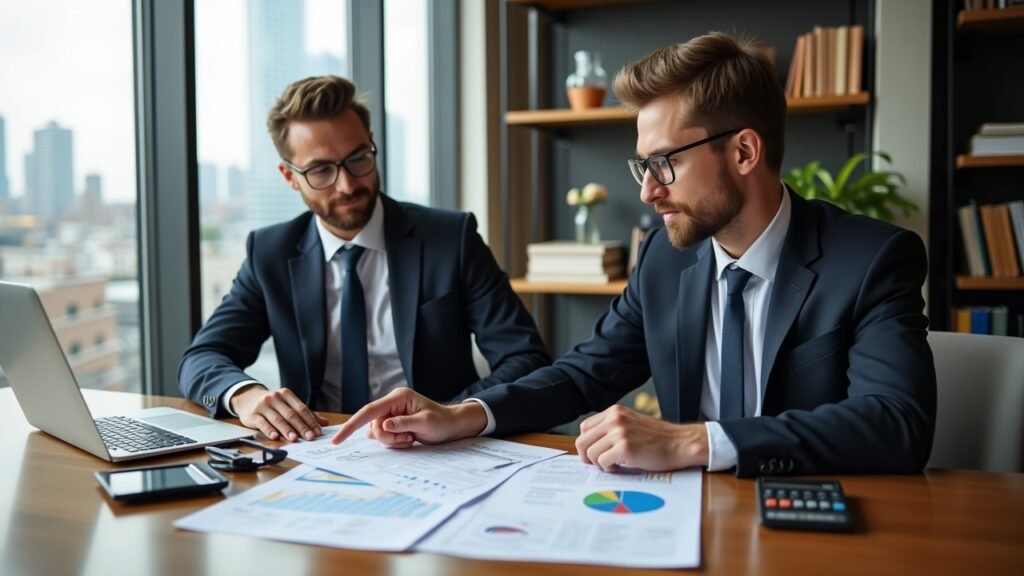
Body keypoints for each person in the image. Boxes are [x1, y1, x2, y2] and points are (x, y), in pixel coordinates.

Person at [331, 33, 937, 477]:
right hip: (677, 525)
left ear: (745, 152)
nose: (648, 191)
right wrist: (463, 414)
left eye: (664, 163)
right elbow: (583, 374)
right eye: (642, 166)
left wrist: (694, 441)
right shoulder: (665, 261)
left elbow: (895, 424)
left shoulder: (873, 259)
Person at [179, 75, 550, 443]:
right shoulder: (270, 252)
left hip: (439, 450)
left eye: (357, 158)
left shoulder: (451, 238)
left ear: (372, 145)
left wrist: (454, 415)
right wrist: (246, 395)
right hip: (317, 451)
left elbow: (525, 358)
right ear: (289, 177)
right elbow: (202, 357)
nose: (347, 184)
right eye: (321, 170)